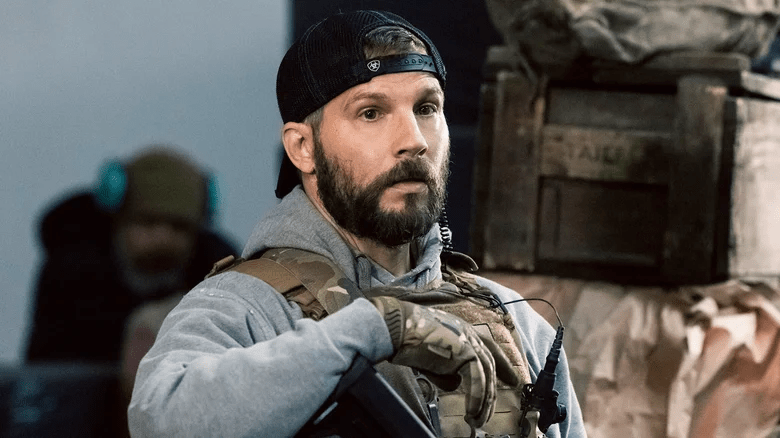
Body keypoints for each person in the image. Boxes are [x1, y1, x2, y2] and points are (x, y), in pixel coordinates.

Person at [128, 10, 586, 438]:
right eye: (371, 113)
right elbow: (160, 419)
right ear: (303, 148)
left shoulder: (515, 322)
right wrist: (372, 329)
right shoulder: (246, 309)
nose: (413, 141)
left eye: (426, 108)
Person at [26, 144, 237, 365]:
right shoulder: (71, 271)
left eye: (179, 227)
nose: (163, 238)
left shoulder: (218, 273)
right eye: (147, 222)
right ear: (118, 221)